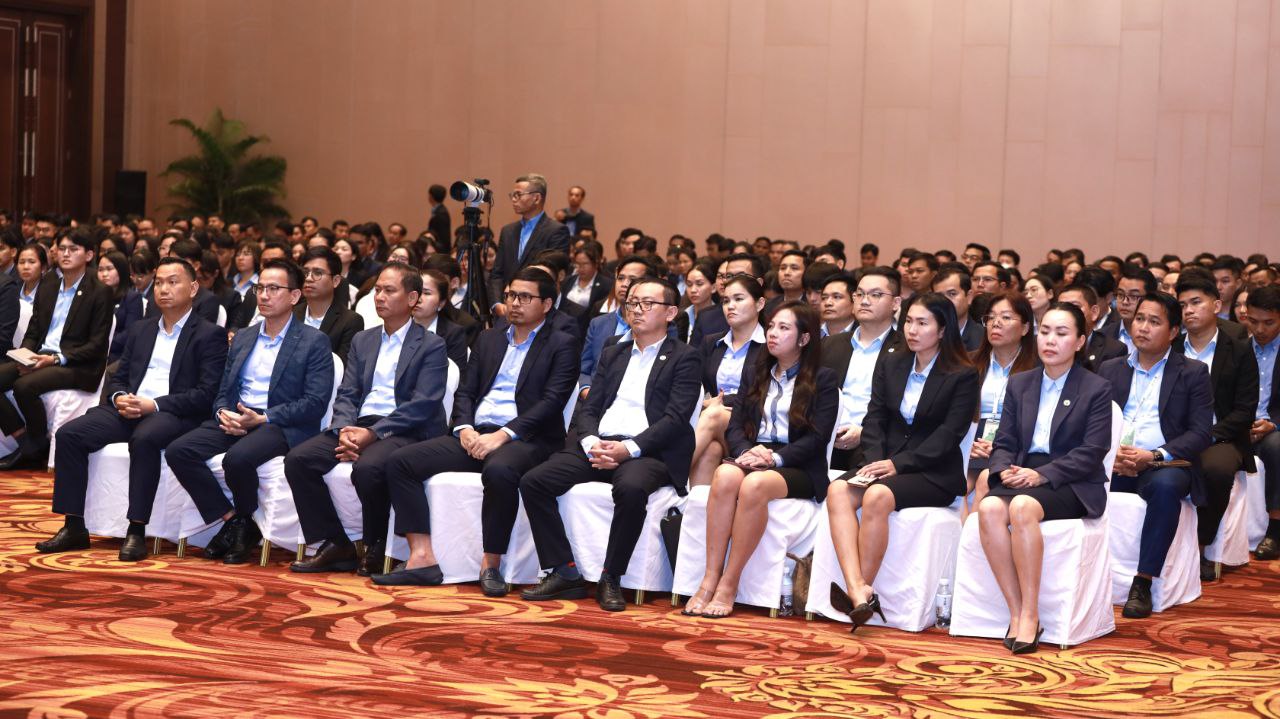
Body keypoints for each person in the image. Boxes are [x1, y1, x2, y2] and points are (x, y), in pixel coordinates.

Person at [375, 268, 578, 590]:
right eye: (511, 295)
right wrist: (465, 429)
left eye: (525, 297)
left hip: (527, 439)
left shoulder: (562, 344)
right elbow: (466, 392)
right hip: (475, 434)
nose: (515, 303)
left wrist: (503, 435)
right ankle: (422, 557)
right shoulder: (489, 338)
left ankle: (491, 564)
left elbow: (551, 403)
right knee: (400, 462)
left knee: (499, 470)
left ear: (547, 304)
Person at [518, 277, 701, 612]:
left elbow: (675, 419)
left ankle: (611, 576)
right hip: (599, 443)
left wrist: (628, 449)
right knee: (534, 481)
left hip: (648, 451)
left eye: (648, 303)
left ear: (671, 312)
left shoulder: (685, 357)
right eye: (632, 303)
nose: (637, 310)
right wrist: (591, 442)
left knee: (631, 488)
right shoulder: (613, 351)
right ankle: (564, 570)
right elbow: (590, 408)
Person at [34, 258, 228, 560]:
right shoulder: (142, 330)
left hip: (172, 412)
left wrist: (155, 404)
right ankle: (73, 526)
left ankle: (136, 529)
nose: (163, 289)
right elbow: (119, 376)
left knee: (145, 438)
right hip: (130, 407)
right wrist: (119, 397)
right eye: (159, 282)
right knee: (70, 434)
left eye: (173, 282)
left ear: (193, 288)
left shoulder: (208, 334)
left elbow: (206, 394)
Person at [824, 292, 978, 632]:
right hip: (886, 462)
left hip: (933, 470)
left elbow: (950, 434)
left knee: (877, 495)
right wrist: (877, 460)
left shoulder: (963, 373)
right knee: (838, 491)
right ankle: (858, 590)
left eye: (922, 323)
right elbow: (875, 418)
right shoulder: (892, 362)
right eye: (908, 321)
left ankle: (861, 590)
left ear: (942, 330)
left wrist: (898, 465)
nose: (912, 330)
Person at [164, 260, 335, 565]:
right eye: (260, 288)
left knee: (238, 459)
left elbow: (315, 402)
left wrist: (264, 417)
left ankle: (244, 524)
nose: (264, 295)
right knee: (179, 451)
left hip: (279, 423)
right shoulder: (244, 337)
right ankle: (235, 520)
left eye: (274, 288)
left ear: (294, 296)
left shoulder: (313, 341)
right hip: (238, 417)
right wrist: (222, 413)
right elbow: (222, 391)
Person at [283, 263, 448, 577]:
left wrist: (373, 433)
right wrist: (344, 429)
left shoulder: (431, 345)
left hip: (403, 428)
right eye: (378, 290)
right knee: (298, 460)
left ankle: (376, 543)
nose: (379, 297)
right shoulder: (364, 340)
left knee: (369, 467)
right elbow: (348, 392)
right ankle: (337, 543)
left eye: (389, 290)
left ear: (412, 298)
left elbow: (422, 405)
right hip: (358, 424)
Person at [684, 301, 838, 618]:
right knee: (725, 475)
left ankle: (729, 583)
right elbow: (736, 424)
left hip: (797, 465)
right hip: (754, 455)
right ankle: (709, 578)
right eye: (771, 327)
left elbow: (817, 439)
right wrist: (745, 452)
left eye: (784, 328)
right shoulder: (756, 372)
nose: (773, 334)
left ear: (804, 338)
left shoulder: (823, 379)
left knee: (754, 485)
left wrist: (775, 458)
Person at [977, 302, 1114, 653]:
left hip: (1072, 481)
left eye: (1062, 333)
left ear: (1080, 342)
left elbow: (1092, 451)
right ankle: (1016, 610)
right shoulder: (1020, 383)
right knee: (989, 508)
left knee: (1022, 507)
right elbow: (1004, 442)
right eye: (1046, 332)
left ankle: (1031, 612)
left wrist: (1041, 475)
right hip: (1022, 473)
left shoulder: (1096, 388)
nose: (1050, 340)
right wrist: (1003, 469)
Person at [1098, 293, 1213, 618]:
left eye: (1154, 321)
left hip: (1163, 464)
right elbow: (1093, 422)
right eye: (1139, 319)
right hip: (1115, 462)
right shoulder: (1110, 368)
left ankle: (1143, 582)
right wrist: (1109, 455)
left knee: (1165, 488)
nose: (1143, 327)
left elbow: (1200, 432)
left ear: (1174, 331)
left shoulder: (1193, 372)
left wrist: (1152, 455)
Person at [0, 229, 114, 470]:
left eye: (73, 249)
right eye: (61, 248)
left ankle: (35, 443)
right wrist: (25, 356)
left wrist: (55, 359)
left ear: (89, 255)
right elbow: (34, 331)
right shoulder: (49, 284)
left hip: (77, 364)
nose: (65, 254)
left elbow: (96, 346)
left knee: (24, 386)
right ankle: (25, 441)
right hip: (40, 357)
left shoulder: (99, 292)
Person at [1174, 274, 1259, 580]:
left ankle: (1200, 546)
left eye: (1196, 302)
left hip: (1220, 437)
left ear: (1217, 305)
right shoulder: (1171, 347)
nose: (1188, 310)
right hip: (1174, 436)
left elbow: (1244, 411)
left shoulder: (1238, 349)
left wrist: (1207, 435)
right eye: (1182, 305)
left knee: (1215, 470)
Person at [688, 274, 767, 488]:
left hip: (751, 423)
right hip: (714, 420)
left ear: (759, 304)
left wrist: (715, 404)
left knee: (714, 415)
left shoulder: (770, 344)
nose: (730, 306)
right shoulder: (712, 342)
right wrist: (705, 402)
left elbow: (761, 392)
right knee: (711, 450)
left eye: (739, 299)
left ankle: (670, 475)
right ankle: (693, 506)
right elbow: (692, 385)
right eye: (725, 301)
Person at [825, 267, 904, 473]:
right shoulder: (830, 345)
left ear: (896, 303)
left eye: (876, 295)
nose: (865, 301)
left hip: (877, 444)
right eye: (859, 294)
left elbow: (903, 410)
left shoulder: (906, 351)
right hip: (827, 437)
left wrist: (863, 432)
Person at [968, 291, 1039, 507]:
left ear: (1025, 328)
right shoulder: (969, 363)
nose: (995, 323)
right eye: (990, 317)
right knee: (960, 485)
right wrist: (968, 444)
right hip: (973, 441)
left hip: (1013, 444)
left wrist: (1000, 447)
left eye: (1006, 317)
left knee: (983, 479)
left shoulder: (1038, 368)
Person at [489, 174, 570, 318]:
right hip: (505, 309)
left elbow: (551, 276)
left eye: (518, 195)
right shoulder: (507, 231)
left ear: (536, 198)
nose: (514, 199)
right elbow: (497, 273)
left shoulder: (556, 231)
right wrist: (497, 304)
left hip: (535, 310)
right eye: (512, 195)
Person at [579, 256, 657, 392]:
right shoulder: (598, 324)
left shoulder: (659, 325)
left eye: (632, 279)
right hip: (593, 397)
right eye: (620, 278)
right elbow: (584, 369)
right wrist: (586, 391)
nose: (624, 284)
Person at [1248, 286, 1280, 559]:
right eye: (1253, 321)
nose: (1260, 329)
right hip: (1242, 427)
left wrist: (1274, 424)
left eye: (1268, 322)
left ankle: (1275, 529)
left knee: (1276, 446)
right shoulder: (1237, 348)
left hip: (1275, 428)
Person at [296, 247, 364, 363]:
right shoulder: (290, 314)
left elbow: (342, 366)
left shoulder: (350, 321)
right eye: (305, 272)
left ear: (336, 281)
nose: (308, 278)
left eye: (318, 273)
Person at [1057, 284, 1127, 373]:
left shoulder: (1114, 350)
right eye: (1062, 308)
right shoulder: (1048, 345)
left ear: (1094, 312)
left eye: (1075, 307)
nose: (1066, 314)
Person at [413, 269, 470, 371]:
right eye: (416, 292)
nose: (419, 299)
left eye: (426, 293)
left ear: (441, 303)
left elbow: (457, 376)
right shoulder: (398, 326)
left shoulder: (453, 334)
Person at [97, 251, 144, 364]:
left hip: (117, 355)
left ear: (121, 270)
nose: (104, 274)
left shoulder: (132, 298)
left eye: (109, 269)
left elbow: (130, 333)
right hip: (92, 352)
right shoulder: (93, 297)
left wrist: (101, 344)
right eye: (100, 270)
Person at [932, 265, 983, 352]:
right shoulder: (924, 335)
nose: (945, 300)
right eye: (939, 296)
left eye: (952, 294)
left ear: (969, 297)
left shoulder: (983, 339)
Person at [562, 241, 612, 315]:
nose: (581, 268)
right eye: (577, 264)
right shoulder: (568, 281)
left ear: (595, 264)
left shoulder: (606, 285)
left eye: (585, 264)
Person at [681, 259, 718, 344]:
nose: (693, 290)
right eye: (689, 284)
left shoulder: (721, 317)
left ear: (713, 288)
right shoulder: (682, 316)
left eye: (699, 284)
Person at [818, 273, 857, 338]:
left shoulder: (864, 334)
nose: (828, 303)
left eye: (836, 297)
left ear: (854, 303)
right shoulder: (811, 334)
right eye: (824, 298)